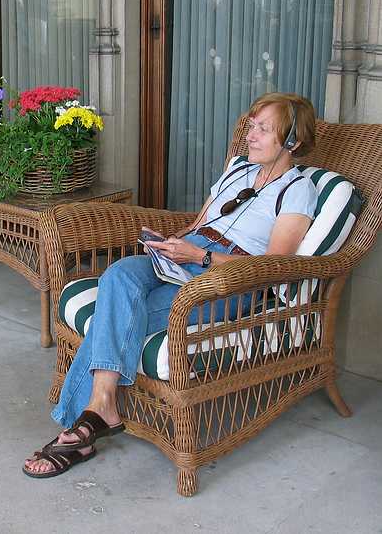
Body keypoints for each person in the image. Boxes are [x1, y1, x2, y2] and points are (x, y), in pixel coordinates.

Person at [23, 92, 319, 478]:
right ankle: (99, 411)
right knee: (119, 275)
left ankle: (83, 424)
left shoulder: (297, 190)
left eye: (264, 129)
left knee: (116, 317)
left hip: (226, 279)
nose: (250, 135)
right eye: (251, 125)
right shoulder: (237, 170)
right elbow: (199, 225)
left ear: (292, 141)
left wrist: (200, 258)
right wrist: (169, 246)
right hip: (187, 254)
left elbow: (273, 266)